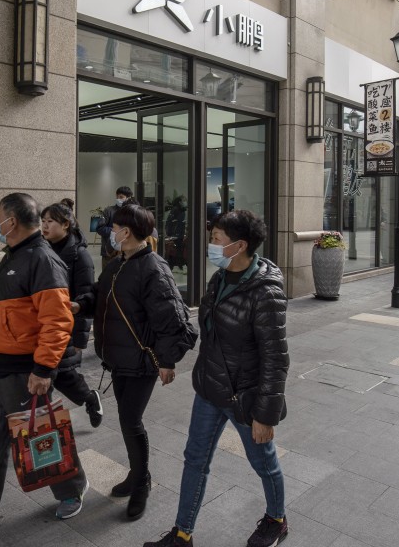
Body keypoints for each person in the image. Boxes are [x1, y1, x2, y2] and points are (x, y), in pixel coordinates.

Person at [0, 193, 88, 540]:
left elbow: (57, 320)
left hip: (25, 374)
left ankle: (71, 490)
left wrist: (42, 371)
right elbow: (18, 305)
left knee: (40, 434)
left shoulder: (42, 259)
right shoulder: (16, 255)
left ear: (12, 221)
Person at [144, 210, 289, 547]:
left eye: (216, 239)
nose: (210, 244)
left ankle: (276, 520)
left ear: (239, 246)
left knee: (263, 462)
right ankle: (182, 533)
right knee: (195, 459)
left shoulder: (266, 292)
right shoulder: (219, 278)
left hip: (245, 396)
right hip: (210, 389)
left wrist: (265, 416)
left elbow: (276, 357)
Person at [87, 202, 196, 521]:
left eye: (116, 227)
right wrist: (79, 304)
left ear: (128, 232)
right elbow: (100, 294)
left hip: (141, 360)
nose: (111, 231)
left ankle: (141, 482)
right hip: (120, 357)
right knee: (126, 417)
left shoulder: (153, 267)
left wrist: (167, 361)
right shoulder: (119, 261)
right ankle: (137, 475)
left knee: (131, 421)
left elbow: (173, 321)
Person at [41, 198, 103, 427]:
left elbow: (84, 298)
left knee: (55, 375)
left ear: (66, 224)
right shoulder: (40, 248)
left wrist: (80, 338)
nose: (45, 226)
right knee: (63, 376)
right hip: (43, 325)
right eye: (43, 221)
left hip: (64, 328)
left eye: (50, 221)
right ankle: (89, 398)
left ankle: (43, 433)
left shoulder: (79, 256)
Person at [96, 185, 133, 268]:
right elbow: (99, 228)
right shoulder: (108, 210)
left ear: (128, 198)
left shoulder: (132, 212)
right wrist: (116, 231)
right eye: (117, 196)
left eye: (121, 197)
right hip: (109, 253)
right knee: (107, 278)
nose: (118, 199)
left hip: (127, 252)